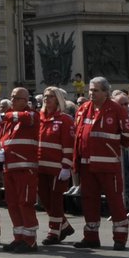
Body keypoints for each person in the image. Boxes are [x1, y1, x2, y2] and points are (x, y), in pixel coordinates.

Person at [71, 76, 129, 249]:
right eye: (90, 90)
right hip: (87, 165)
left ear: (106, 92)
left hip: (108, 165)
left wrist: (112, 147)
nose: (91, 93)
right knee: (89, 201)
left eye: (96, 90)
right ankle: (91, 236)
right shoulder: (83, 108)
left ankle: (120, 238)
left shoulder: (115, 109)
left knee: (115, 201)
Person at [0, 87, 39, 252]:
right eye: (11, 97)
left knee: (25, 202)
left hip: (25, 167)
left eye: (16, 97)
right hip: (9, 168)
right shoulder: (7, 119)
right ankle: (19, 237)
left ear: (25, 100)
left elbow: (27, 118)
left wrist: (4, 115)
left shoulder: (32, 114)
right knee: (12, 203)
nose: (12, 100)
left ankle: (30, 240)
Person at [35, 87, 76, 244]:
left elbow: (69, 145)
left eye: (51, 96)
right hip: (40, 166)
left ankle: (54, 232)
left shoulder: (64, 119)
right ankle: (64, 226)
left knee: (55, 200)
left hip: (57, 168)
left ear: (58, 99)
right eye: (45, 96)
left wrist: (66, 166)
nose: (47, 99)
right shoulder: (39, 118)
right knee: (45, 200)